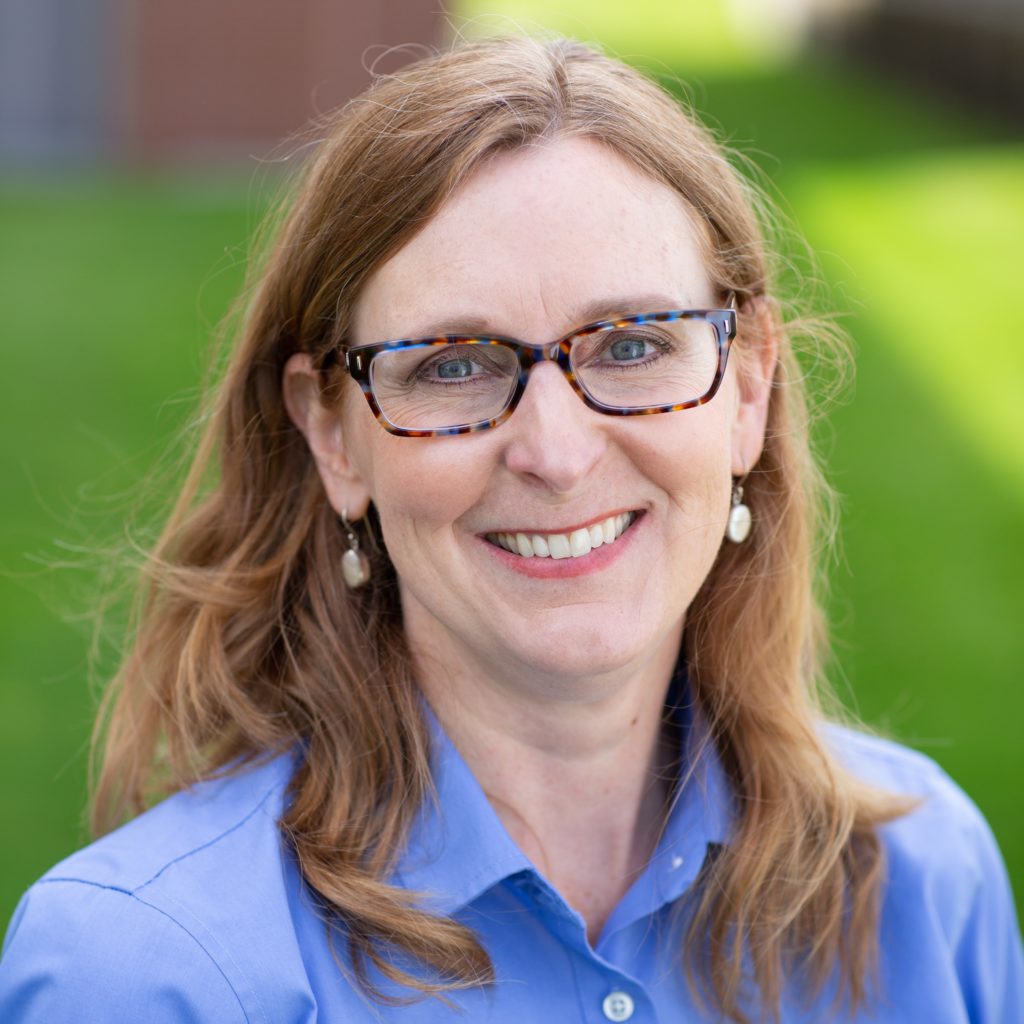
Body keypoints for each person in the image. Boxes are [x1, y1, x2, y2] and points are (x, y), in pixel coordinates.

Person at [0, 36, 1020, 1024]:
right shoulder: (148, 976)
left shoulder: (922, 890)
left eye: (629, 345)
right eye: (451, 365)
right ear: (332, 434)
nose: (557, 452)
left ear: (746, 386)